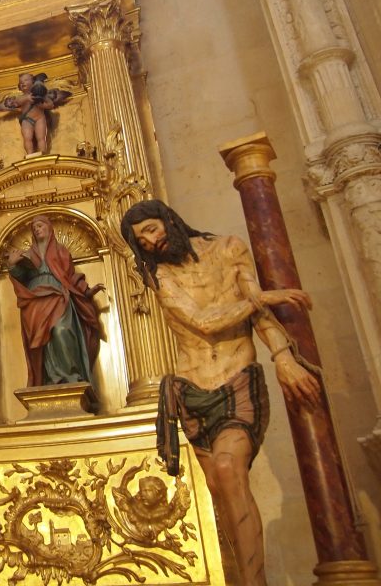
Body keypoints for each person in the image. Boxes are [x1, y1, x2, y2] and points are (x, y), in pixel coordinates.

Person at [120, 199, 320, 586]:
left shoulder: (228, 248)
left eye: (152, 230)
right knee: (219, 494)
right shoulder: (160, 276)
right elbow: (204, 321)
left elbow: (257, 313)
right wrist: (263, 298)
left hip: (237, 379)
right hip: (192, 390)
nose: (151, 242)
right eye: (141, 240)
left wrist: (283, 357)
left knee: (229, 470)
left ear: (169, 219)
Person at [6, 215, 103, 387]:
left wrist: (86, 292)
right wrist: (13, 265)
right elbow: (21, 277)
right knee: (43, 341)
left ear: (49, 228)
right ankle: (50, 379)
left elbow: (70, 277)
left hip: (59, 295)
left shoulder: (61, 251)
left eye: (40, 225)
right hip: (35, 300)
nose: (37, 229)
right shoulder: (28, 254)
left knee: (62, 331)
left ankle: (71, 376)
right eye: (34, 228)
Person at [0, 73, 71, 156]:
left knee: (41, 137)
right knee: (27, 138)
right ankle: (30, 154)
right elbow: (17, 102)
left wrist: (44, 97)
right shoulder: (22, 97)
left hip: (40, 119)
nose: (23, 83)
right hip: (27, 119)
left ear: (33, 82)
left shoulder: (39, 96)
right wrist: (27, 98)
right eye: (21, 82)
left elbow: (50, 105)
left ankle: (43, 153)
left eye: (26, 80)